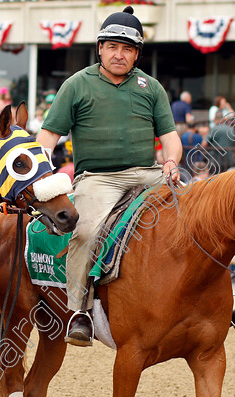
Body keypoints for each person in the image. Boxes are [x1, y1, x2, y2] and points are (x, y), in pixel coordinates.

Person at [36, 7, 182, 346]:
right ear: (100, 48)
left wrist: (172, 162)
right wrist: (45, 182)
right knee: (86, 232)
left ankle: (219, 300)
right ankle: (79, 312)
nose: (120, 54)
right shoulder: (76, 85)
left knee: (198, 215)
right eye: (113, 46)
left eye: (128, 49)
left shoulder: (152, 87)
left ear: (136, 55)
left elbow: (171, 138)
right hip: (97, 179)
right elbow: (46, 141)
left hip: (149, 175)